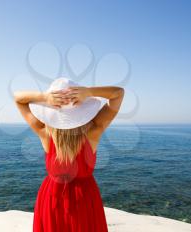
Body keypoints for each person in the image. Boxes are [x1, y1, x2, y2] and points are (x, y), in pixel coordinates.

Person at [14, 77, 124, 232]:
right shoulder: (94, 131)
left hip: (52, 196)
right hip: (85, 197)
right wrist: (88, 92)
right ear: (82, 111)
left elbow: (18, 99)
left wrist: (45, 97)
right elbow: (118, 93)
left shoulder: (44, 133)